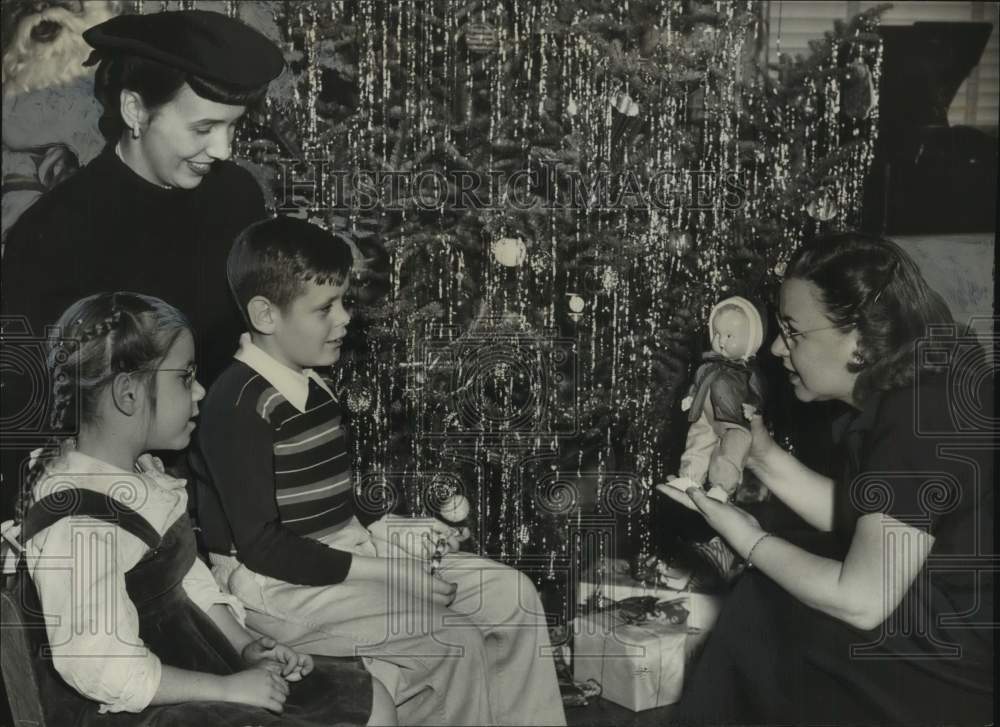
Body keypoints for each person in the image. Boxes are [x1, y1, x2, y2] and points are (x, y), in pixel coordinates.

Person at [193, 217, 567, 727]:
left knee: (511, 597)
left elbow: (329, 495)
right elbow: (265, 547)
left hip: (346, 557)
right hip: (278, 587)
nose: (343, 319)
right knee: (449, 639)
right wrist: (395, 571)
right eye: (325, 309)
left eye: (343, 302)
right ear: (265, 314)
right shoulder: (237, 404)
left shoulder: (309, 380)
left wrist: (394, 530)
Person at [7, 291, 396, 726]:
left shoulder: (141, 476)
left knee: (369, 698)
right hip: (140, 705)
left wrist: (245, 646)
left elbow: (187, 578)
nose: (200, 390)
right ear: (128, 395)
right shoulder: (80, 523)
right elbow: (99, 664)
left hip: (193, 669)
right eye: (184, 377)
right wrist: (227, 689)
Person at [663, 232, 994, 725]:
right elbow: (871, 527)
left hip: (965, 660)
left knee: (763, 604)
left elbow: (861, 599)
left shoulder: (920, 415)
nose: (776, 347)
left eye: (794, 332)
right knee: (781, 585)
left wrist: (748, 539)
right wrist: (763, 455)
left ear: (860, 340)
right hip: (946, 615)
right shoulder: (921, 385)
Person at [1, 9, 283, 517]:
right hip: (106, 503)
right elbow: (28, 401)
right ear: (135, 109)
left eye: (233, 127)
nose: (222, 150)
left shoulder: (236, 198)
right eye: (204, 128)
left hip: (227, 478)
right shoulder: (53, 232)